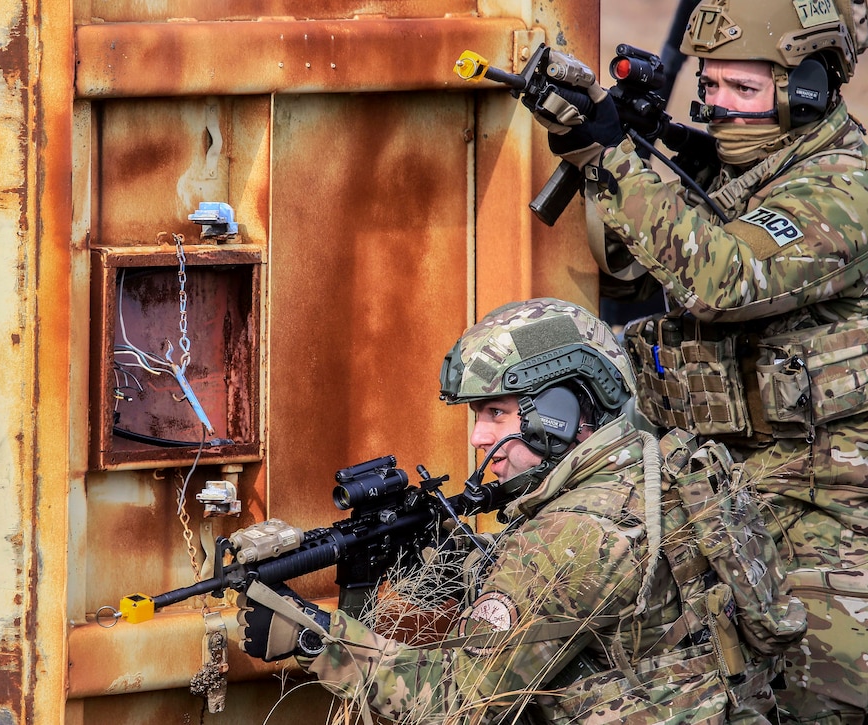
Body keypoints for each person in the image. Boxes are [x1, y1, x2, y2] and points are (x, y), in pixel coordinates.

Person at [540, 1, 868, 723]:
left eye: (742, 92)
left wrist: (610, 155)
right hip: (723, 496)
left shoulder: (844, 188)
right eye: (711, 88)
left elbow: (721, 276)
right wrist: (611, 127)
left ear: (807, 90)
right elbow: (635, 262)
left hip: (827, 518)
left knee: (805, 699)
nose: (721, 112)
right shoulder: (742, 171)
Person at [234, 298, 789, 723]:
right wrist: (468, 565)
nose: (478, 437)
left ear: (562, 412)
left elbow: (458, 702)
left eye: (495, 413)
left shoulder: (566, 536)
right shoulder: (664, 466)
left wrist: (312, 638)